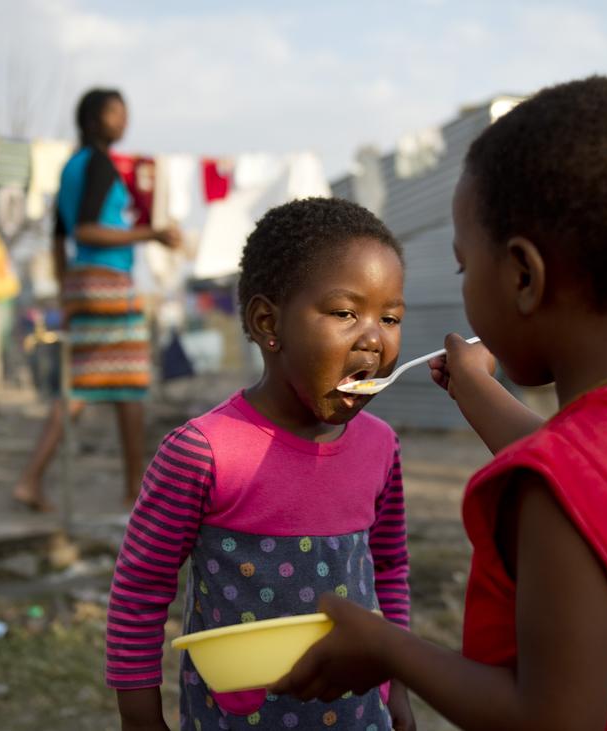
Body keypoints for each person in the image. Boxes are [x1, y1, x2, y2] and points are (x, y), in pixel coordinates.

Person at [273, 77, 607, 729]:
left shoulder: (554, 495)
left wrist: (385, 646)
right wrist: (478, 390)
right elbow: (606, 483)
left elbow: (549, 720)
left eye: (464, 266)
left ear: (524, 275)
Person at [107, 198, 416, 731]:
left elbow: (389, 569)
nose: (373, 338)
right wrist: (140, 716)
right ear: (267, 322)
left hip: (359, 715)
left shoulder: (381, 447)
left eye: (389, 318)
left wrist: (399, 689)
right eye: (345, 313)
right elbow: (141, 586)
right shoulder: (202, 452)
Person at [12, 88, 181, 513]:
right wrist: (151, 233)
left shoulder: (71, 167)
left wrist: (66, 291)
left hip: (81, 283)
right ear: (92, 120)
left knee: (79, 385)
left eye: (124, 112)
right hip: (109, 284)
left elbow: (58, 238)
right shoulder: (101, 164)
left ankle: (31, 479)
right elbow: (86, 230)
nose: (123, 120)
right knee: (130, 385)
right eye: (114, 113)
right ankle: (135, 492)